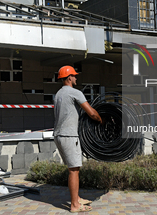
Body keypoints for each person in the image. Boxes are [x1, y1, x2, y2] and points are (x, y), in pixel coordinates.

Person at [53, 65, 102, 213]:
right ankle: (74, 205)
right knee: (74, 170)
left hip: (59, 135)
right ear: (69, 78)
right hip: (69, 136)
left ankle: (76, 198)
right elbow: (91, 113)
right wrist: (101, 120)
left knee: (74, 168)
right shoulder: (75, 92)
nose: (76, 78)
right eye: (74, 76)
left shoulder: (59, 94)